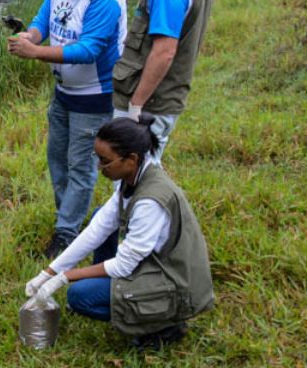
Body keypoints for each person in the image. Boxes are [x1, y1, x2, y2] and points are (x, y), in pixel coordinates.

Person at [24, 116, 214, 349]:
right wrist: (49, 272)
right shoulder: (134, 178)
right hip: (153, 264)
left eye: (105, 161)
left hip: (174, 281)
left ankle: (165, 325)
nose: (99, 167)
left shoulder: (150, 202)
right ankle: (114, 291)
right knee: (97, 215)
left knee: (80, 296)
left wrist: (66, 277)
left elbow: (124, 265)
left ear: (131, 159)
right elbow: (96, 231)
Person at [8, 0, 127, 259]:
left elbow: (89, 50)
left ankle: (65, 235)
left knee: (80, 167)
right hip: (63, 93)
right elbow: (43, 19)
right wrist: (28, 35)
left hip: (94, 97)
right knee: (57, 160)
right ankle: (69, 222)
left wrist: (35, 53)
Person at [112, 0, 214, 160]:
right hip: (164, 102)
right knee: (142, 179)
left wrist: (135, 106)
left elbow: (164, 52)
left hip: (149, 106)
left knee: (134, 184)